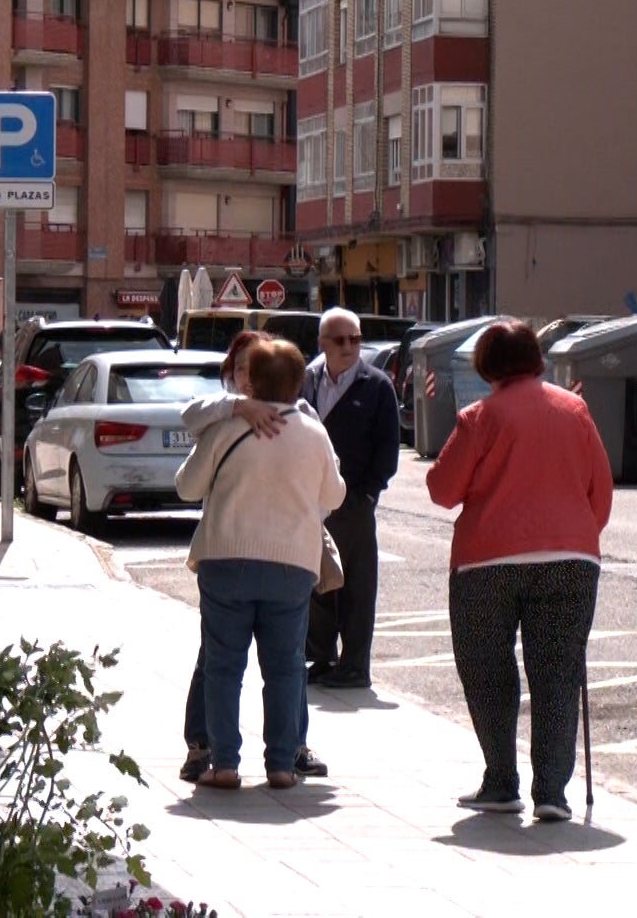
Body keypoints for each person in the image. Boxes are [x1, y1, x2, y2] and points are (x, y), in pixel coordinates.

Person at [425, 320, 613, 821]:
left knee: (487, 670)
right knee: (557, 673)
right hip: (570, 558)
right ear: (536, 358)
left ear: (487, 366)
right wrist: (574, 533)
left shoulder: (479, 418)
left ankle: (501, 780)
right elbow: (601, 492)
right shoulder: (574, 411)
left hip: (488, 559)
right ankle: (552, 792)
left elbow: (443, 491)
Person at [176, 338, 347, 789]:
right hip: (291, 563)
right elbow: (335, 496)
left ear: (250, 381)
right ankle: (282, 763)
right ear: (297, 383)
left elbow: (187, 488)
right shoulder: (314, 434)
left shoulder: (226, 429)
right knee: (286, 665)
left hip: (225, 558)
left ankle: (226, 763)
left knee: (223, 664)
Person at [302, 307, 401, 690]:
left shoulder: (376, 385)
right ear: (322, 343)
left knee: (357, 585)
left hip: (354, 500)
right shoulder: (307, 382)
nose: (349, 346)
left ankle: (355, 665)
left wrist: (370, 493)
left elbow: (388, 448)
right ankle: (322, 656)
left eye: (355, 339)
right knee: (318, 580)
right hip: (310, 499)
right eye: (340, 340)